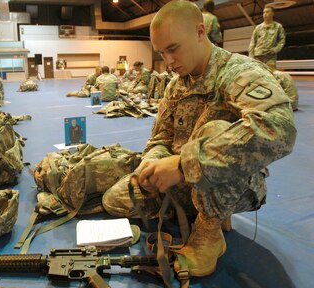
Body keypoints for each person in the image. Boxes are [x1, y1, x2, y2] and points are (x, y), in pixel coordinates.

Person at [102, 0, 296, 278]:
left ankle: (209, 230)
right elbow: (161, 137)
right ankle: (204, 206)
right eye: (161, 52)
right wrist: (153, 162)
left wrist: (183, 164)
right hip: (182, 179)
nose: (168, 62)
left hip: (239, 184)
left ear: (200, 32)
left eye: (173, 49)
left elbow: (279, 129)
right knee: (115, 199)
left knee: (215, 130)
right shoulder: (175, 84)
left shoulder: (238, 72)